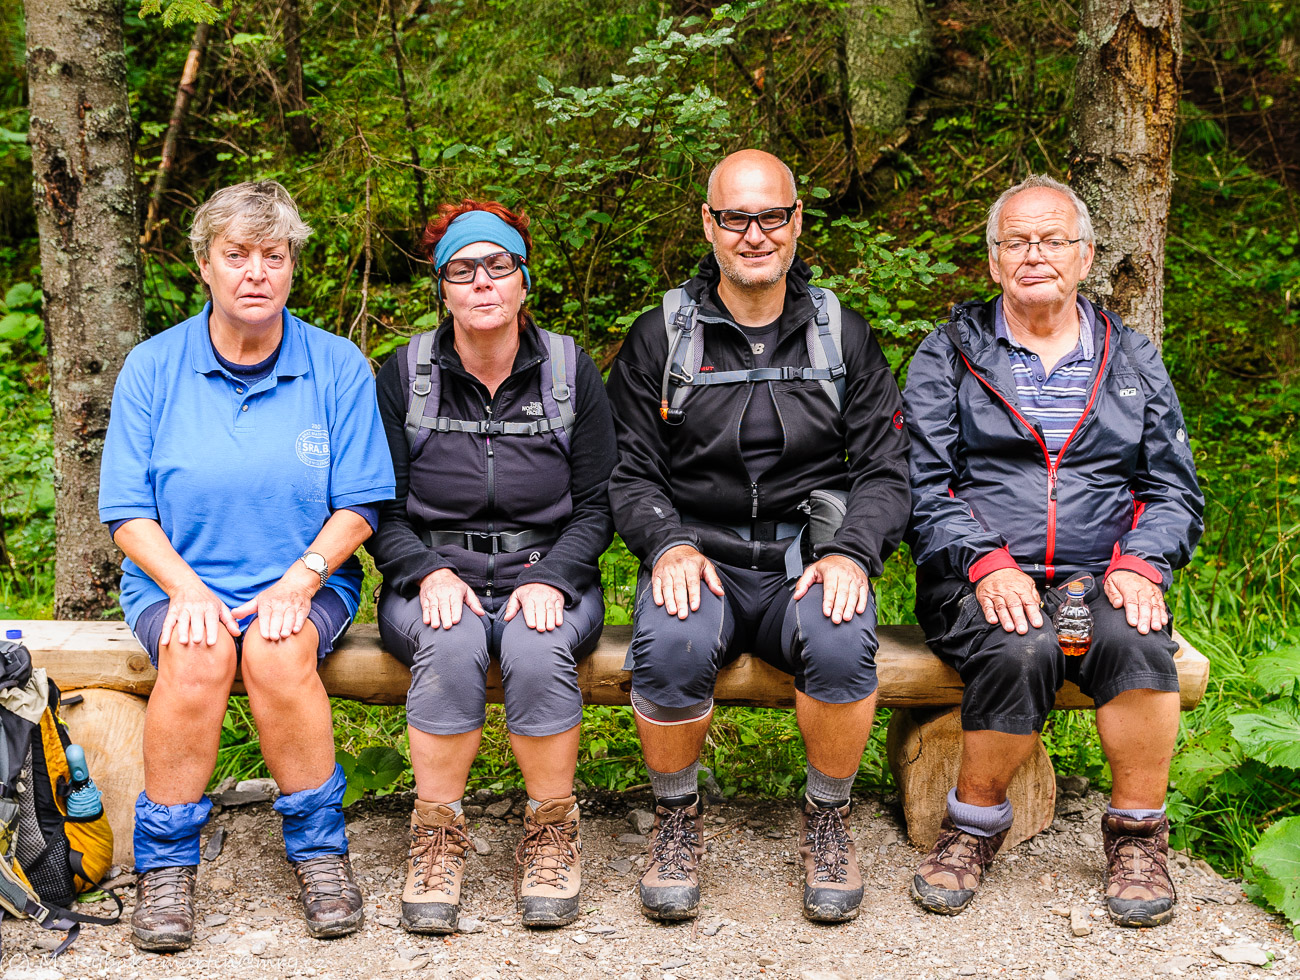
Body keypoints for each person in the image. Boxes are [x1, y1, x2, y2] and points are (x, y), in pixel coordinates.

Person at [605, 149, 911, 923]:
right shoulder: (660, 338)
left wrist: (851, 553)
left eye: (771, 215)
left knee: (842, 638)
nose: (754, 234)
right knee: (671, 643)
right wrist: (666, 544)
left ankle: (829, 817)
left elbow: (886, 470)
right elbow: (626, 471)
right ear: (709, 225)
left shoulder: (842, 335)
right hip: (697, 556)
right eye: (735, 217)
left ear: (796, 222)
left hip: (804, 558)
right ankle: (676, 818)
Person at [98, 181, 395, 950]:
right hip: (176, 578)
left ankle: (320, 854)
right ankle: (166, 870)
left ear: (292, 267)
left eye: (273, 255)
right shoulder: (153, 367)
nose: (256, 272)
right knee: (196, 654)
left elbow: (361, 505)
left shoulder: (335, 365)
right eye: (237, 255)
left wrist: (300, 579)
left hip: (305, 576)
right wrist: (186, 587)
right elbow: (128, 513)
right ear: (206, 265)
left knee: (274, 646)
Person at [903, 174, 1203, 927]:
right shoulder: (948, 355)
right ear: (995, 259)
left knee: (1137, 638)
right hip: (975, 577)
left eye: (1052, 240)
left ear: (1085, 255)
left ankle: (1137, 836)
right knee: (1021, 643)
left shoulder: (1132, 358)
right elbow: (921, 484)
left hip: (1103, 575)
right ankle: (971, 828)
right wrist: (984, 560)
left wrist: (1141, 563)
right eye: (1017, 241)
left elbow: (1173, 490)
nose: (1034, 254)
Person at [369, 200, 616, 932]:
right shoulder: (404, 373)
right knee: (449, 643)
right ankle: (436, 835)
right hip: (433, 574)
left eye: (498, 266)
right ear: (441, 288)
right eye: (463, 270)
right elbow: (378, 507)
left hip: (547, 571)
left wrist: (552, 576)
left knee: (538, 648)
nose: (483, 283)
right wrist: (425, 571)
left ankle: (551, 830)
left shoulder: (570, 370)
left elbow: (600, 504)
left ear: (523, 281)